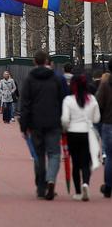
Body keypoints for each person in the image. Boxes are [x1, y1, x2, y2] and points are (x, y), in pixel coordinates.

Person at [19, 50, 66, 200]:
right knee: (54, 154)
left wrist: (24, 125)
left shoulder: (29, 79)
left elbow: (25, 104)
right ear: (47, 61)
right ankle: (51, 179)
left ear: (34, 62)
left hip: (35, 123)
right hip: (53, 121)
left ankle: (41, 186)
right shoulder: (56, 78)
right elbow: (63, 100)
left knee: (39, 155)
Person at [61, 74, 101, 201]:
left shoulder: (68, 100)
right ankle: (86, 183)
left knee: (76, 163)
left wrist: (65, 128)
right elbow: (96, 118)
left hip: (73, 132)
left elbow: (65, 119)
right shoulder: (92, 99)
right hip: (87, 132)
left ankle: (78, 191)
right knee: (86, 162)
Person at [96, 60, 112, 198]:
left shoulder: (106, 85)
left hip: (109, 123)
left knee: (110, 156)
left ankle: (108, 186)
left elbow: (98, 104)